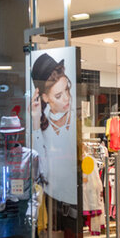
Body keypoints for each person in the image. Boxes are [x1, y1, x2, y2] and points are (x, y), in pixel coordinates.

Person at [29, 53, 74, 204]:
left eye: (67, 90)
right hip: (53, 198)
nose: (67, 98)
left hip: (74, 197)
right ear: (45, 98)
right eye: (59, 96)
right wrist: (36, 121)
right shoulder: (43, 128)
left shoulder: (75, 120)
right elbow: (41, 170)